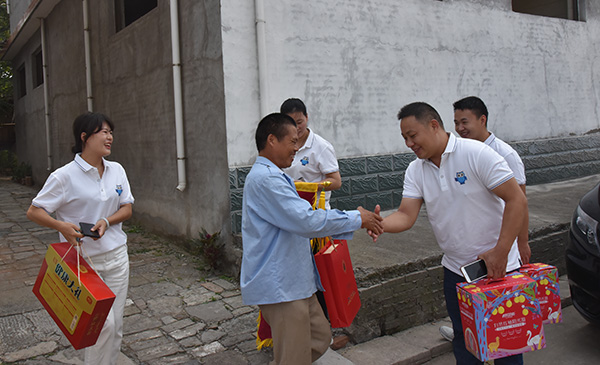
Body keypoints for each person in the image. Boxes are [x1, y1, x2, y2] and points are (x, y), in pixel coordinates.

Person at [371, 102, 527, 365]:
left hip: (498, 269)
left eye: (413, 136)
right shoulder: (416, 170)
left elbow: (517, 201)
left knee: (506, 348)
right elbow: (406, 215)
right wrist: (379, 223)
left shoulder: (476, 154)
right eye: (404, 138)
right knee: (465, 343)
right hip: (457, 271)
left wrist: (502, 251)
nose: (409, 143)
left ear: (433, 126)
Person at [240, 113, 383, 365]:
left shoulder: (276, 176)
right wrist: (358, 218)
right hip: (282, 287)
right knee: (294, 356)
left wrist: (359, 220)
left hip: (296, 281)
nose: (296, 149)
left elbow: (307, 221)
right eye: (292, 142)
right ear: (271, 140)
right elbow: (307, 221)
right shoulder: (267, 179)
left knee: (319, 338)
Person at [27, 112, 134, 365]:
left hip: (117, 257)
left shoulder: (116, 170)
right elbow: (34, 210)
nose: (110, 137)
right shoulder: (64, 176)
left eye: (111, 132)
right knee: (101, 327)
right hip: (84, 264)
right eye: (104, 132)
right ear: (84, 137)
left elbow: (127, 207)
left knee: (116, 324)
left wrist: (107, 221)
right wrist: (61, 226)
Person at [438, 96, 531, 343]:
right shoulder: (457, 153)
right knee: (471, 326)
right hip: (468, 257)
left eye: (464, 122)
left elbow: (520, 201)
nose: (459, 128)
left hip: (500, 251)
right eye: (456, 122)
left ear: (482, 120)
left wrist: (521, 243)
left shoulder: (504, 154)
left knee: (504, 326)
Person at [280, 98, 341, 209]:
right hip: (288, 209)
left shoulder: (321, 146)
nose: (296, 128)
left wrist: (307, 187)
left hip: (315, 210)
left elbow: (336, 182)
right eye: (291, 123)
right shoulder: (280, 145)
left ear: (307, 117)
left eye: (299, 122)